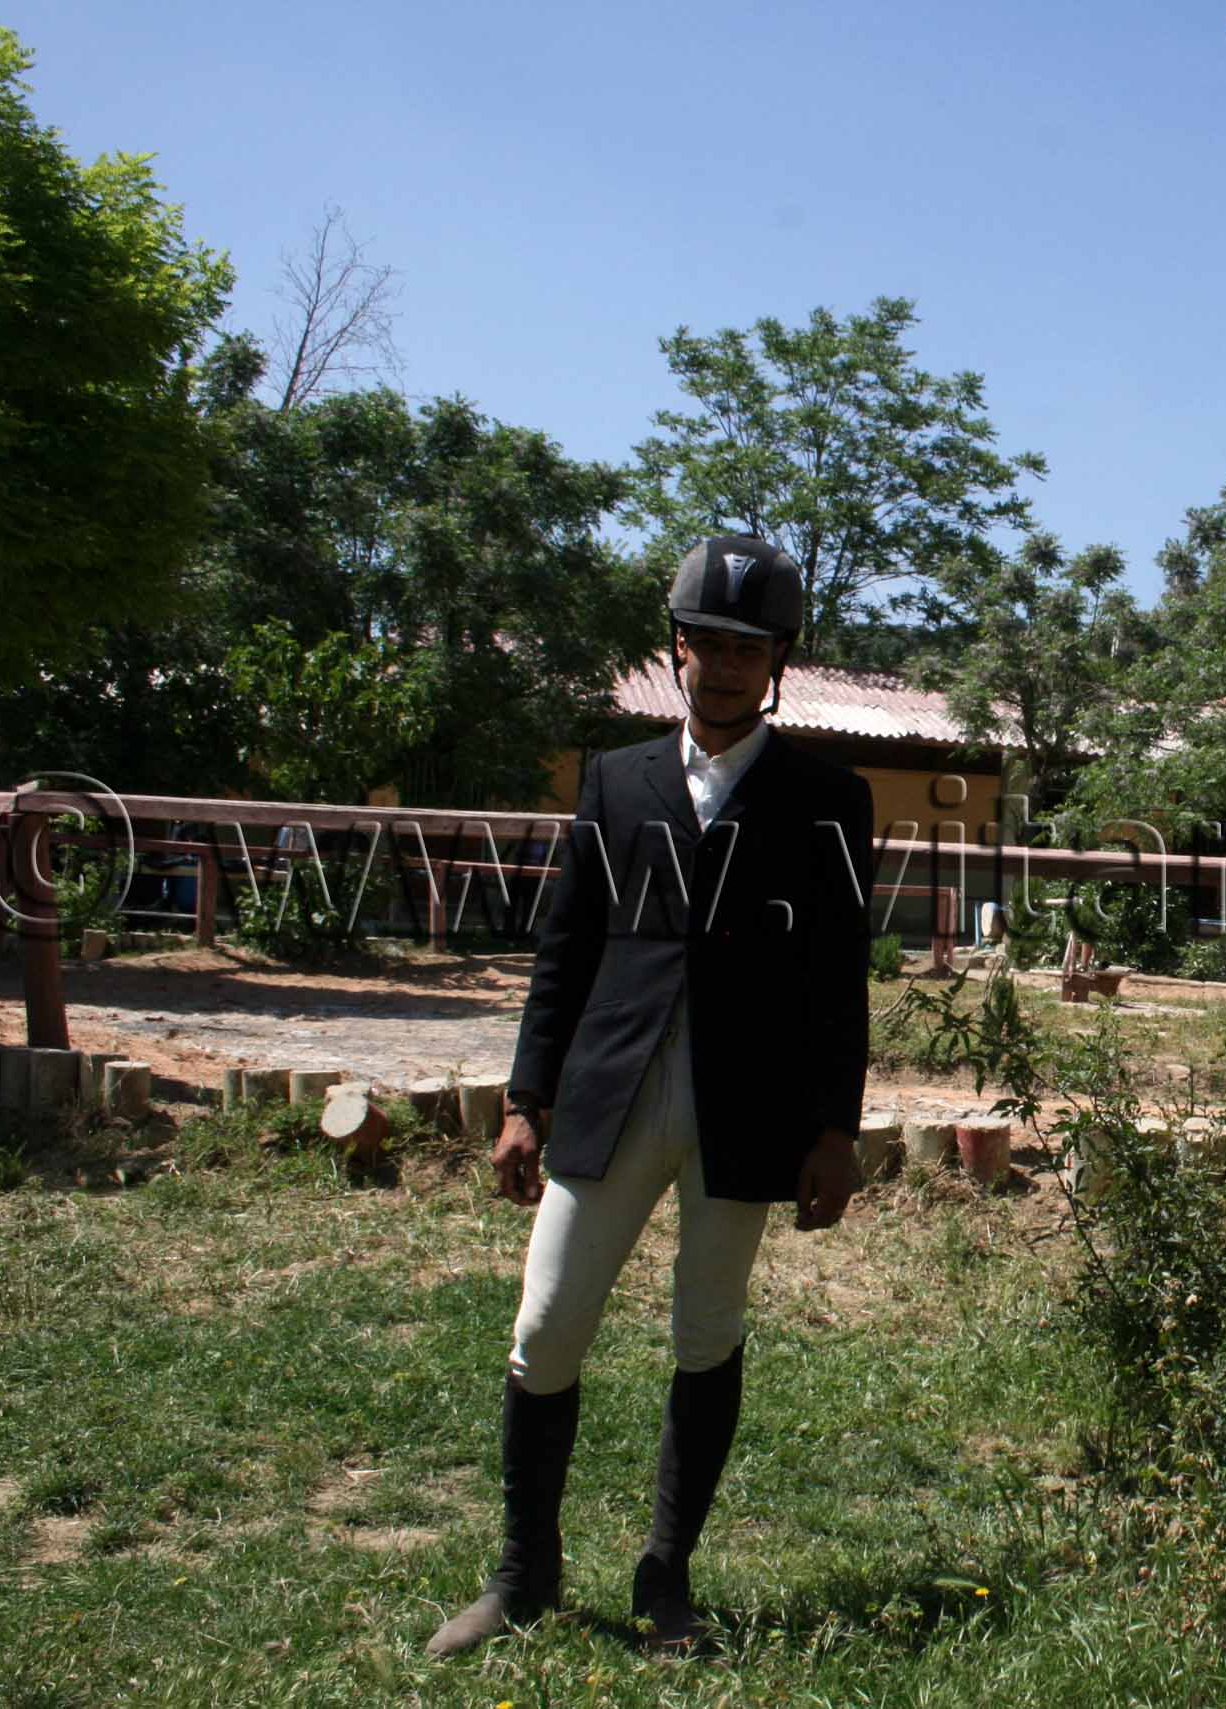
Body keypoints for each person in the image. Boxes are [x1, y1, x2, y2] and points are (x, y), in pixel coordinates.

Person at [428, 534, 876, 1657]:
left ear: (779, 660)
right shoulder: (615, 779)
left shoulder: (829, 796)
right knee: (545, 1327)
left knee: (706, 1330)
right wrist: (526, 1098)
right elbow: (562, 947)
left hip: (749, 1105)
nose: (723, 666)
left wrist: (834, 1127)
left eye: (748, 648)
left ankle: (663, 1573)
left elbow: (836, 972)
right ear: (677, 648)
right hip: (609, 1091)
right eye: (706, 643)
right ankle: (524, 1572)